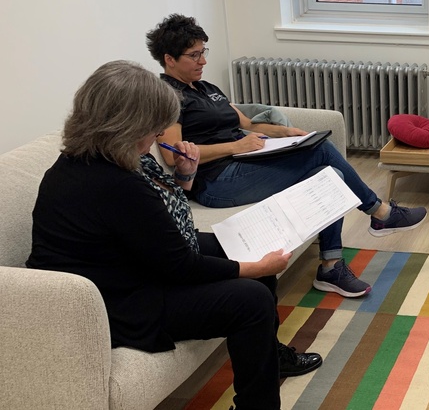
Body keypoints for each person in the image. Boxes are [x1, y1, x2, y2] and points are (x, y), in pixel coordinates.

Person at [27, 61, 324, 409]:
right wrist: (252, 269)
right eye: (153, 130)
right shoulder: (113, 183)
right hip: (115, 302)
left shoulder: (91, 158)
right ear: (125, 125)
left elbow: (157, 220)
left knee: (245, 250)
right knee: (251, 297)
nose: (157, 139)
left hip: (130, 267)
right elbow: (180, 266)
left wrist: (186, 176)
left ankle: (269, 356)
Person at [147, 13, 426, 297]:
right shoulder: (167, 96)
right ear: (169, 59)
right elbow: (173, 156)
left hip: (245, 164)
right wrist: (234, 147)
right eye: (194, 55)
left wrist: (286, 133)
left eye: (203, 52)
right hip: (216, 181)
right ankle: (379, 213)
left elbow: (247, 124)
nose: (203, 61)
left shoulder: (207, 89)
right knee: (324, 153)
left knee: (331, 175)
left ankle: (331, 266)